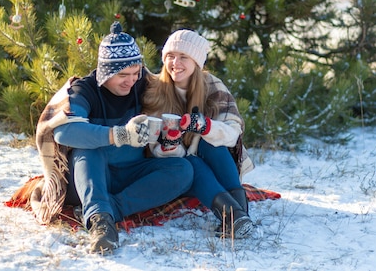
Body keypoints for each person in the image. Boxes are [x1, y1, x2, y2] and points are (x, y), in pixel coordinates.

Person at [52, 22, 194, 254]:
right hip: (93, 176)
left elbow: (186, 87)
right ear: (105, 72)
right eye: (122, 75)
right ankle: (100, 221)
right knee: (86, 148)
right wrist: (119, 134)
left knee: (183, 170)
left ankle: (110, 210)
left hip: (133, 172)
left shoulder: (142, 83)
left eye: (135, 73)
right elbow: (64, 131)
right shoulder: (84, 90)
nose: (131, 81)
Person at [142, 29, 255, 239]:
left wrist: (205, 127)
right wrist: (169, 145)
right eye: (170, 56)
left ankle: (239, 217)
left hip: (214, 160)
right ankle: (235, 216)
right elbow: (150, 147)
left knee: (211, 142)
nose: (175, 63)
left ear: (197, 62)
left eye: (183, 57)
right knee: (192, 163)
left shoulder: (212, 85)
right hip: (176, 169)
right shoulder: (156, 90)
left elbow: (233, 133)